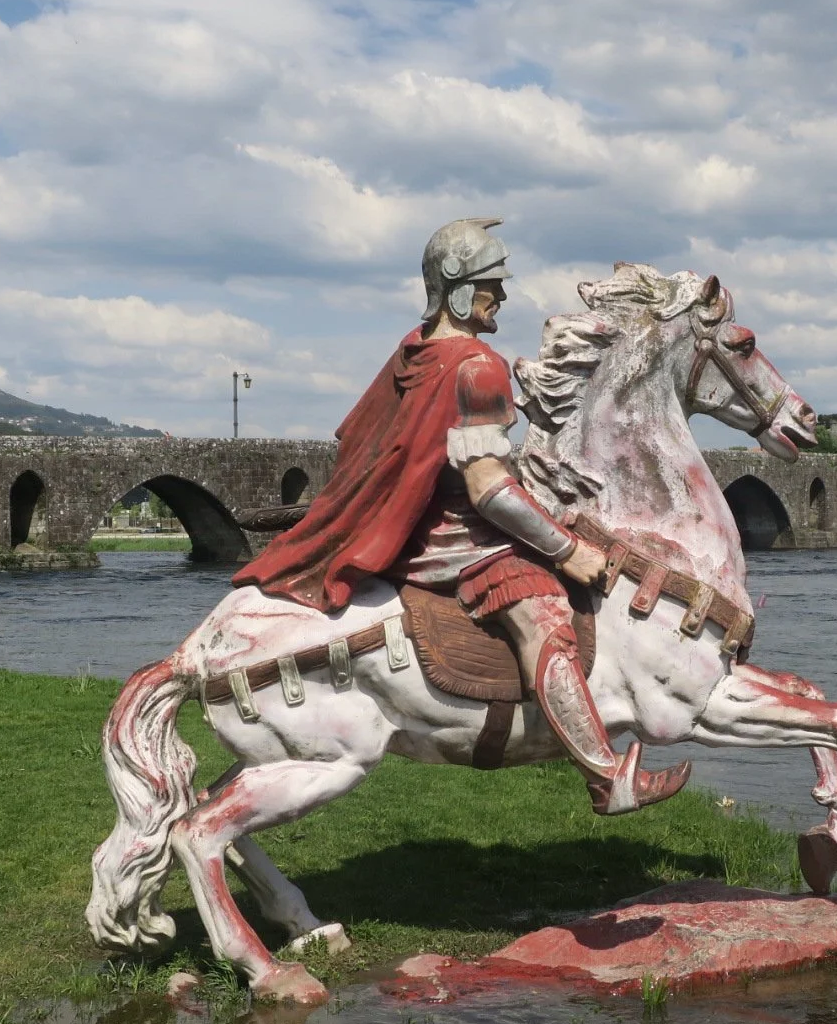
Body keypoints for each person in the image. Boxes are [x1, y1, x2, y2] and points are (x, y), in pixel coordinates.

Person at [233, 218, 690, 813]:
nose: (500, 295)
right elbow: (489, 491)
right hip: (459, 542)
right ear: (455, 284)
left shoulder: (414, 351)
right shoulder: (478, 365)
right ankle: (607, 776)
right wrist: (567, 550)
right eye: (490, 283)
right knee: (544, 617)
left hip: (416, 525)